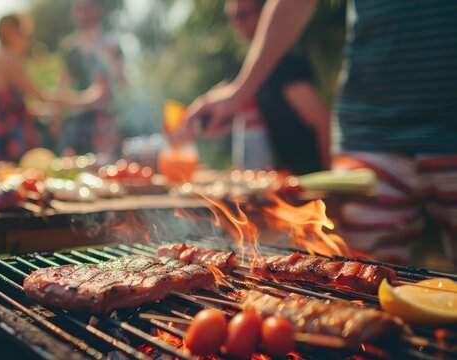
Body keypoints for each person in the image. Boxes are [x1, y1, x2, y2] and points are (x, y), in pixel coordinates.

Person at [173, 0, 457, 265]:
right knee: (361, 284)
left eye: (244, 15)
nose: (237, 24)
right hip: (369, 138)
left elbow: (318, 119)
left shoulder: (290, 70)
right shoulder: (263, 70)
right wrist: (238, 92)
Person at [224, 0, 330, 174]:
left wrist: (328, 178)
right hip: (267, 185)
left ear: (265, 12)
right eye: (232, 17)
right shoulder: (241, 69)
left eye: (243, 15)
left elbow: (322, 123)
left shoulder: (287, 67)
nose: (237, 23)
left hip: (299, 185)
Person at [0, 15, 65, 162]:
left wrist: (41, 113)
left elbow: (4, 110)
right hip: (10, 140)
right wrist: (84, 99)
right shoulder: (9, 59)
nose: (27, 39)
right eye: (24, 33)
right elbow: (40, 96)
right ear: (9, 32)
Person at [56, 0, 125, 161]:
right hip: (78, 123)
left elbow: (121, 83)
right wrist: (56, 115)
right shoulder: (71, 47)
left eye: (87, 8)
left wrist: (111, 61)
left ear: (98, 11)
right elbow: (63, 84)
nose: (83, 14)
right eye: (80, 9)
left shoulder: (111, 44)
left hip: (104, 120)